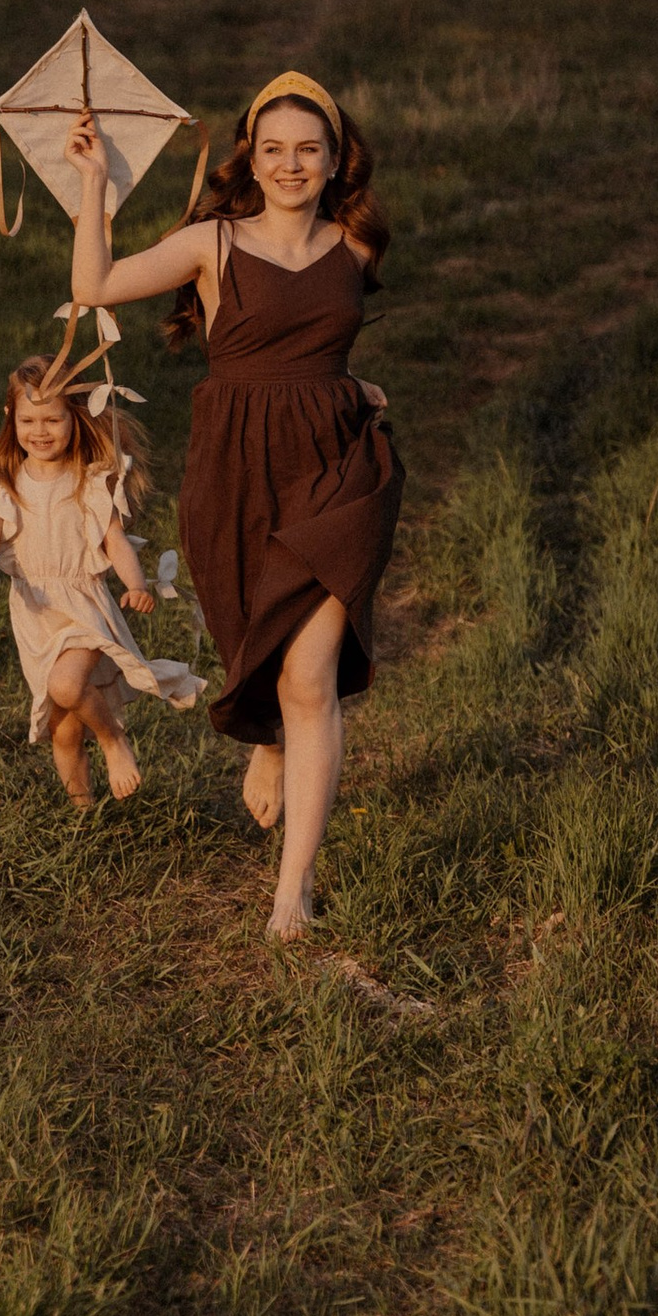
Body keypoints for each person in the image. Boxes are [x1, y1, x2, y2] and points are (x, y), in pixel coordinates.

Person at [64, 75, 400, 937]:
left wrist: (349, 386)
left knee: (309, 671)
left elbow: (311, 350)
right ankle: (271, 739)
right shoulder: (213, 243)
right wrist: (94, 185)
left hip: (338, 470)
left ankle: (295, 889)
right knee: (254, 639)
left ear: (335, 161)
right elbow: (97, 285)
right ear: (252, 156)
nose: (291, 165)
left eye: (309, 150)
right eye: (274, 149)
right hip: (235, 471)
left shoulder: (356, 246)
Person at [0, 350, 203, 811]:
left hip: (83, 604)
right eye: (29, 420)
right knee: (64, 728)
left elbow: (114, 541)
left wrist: (135, 586)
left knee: (68, 686)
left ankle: (113, 741)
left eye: (52, 420)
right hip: (35, 615)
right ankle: (83, 815)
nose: (40, 432)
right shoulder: (2, 480)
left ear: (76, 417)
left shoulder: (89, 479)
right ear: (11, 416)